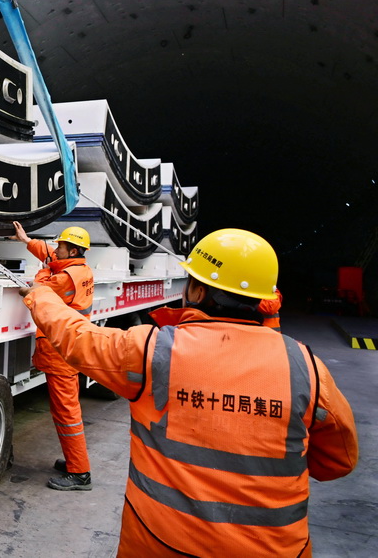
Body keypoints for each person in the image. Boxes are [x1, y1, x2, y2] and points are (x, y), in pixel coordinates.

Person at [20, 228, 358, 556]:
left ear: (196, 291)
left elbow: (79, 339)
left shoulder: (155, 351)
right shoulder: (306, 368)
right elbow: (337, 463)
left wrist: (41, 295)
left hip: (159, 543)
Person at [10, 221, 95, 491]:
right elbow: (49, 255)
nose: (55, 249)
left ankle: (80, 473)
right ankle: (74, 463)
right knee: (66, 411)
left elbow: (37, 290)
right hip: (68, 349)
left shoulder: (64, 279)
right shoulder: (78, 268)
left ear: (71, 251)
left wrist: (41, 273)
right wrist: (27, 240)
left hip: (61, 353)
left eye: (60, 246)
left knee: (67, 414)